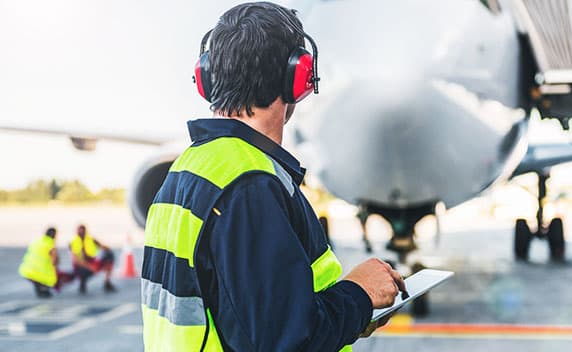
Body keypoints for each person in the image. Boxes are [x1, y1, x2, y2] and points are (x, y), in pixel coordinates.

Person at [141, 2, 405, 351]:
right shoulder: (250, 186)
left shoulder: (189, 169)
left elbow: (244, 320)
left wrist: (351, 317)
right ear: (299, 77)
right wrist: (360, 294)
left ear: (206, 78)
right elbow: (287, 340)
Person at [18, 227, 74, 298]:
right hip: (40, 274)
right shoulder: (50, 244)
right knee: (54, 278)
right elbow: (54, 260)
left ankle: (40, 287)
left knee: (39, 277)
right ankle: (43, 288)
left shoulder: (37, 241)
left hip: (26, 271)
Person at [69, 224, 116, 294]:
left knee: (109, 256)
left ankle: (107, 282)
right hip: (81, 266)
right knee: (82, 269)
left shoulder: (91, 240)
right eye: (80, 232)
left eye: (83, 231)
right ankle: (82, 283)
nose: (81, 233)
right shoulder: (73, 243)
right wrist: (89, 266)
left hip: (92, 262)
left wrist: (108, 248)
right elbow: (76, 260)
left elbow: (103, 247)